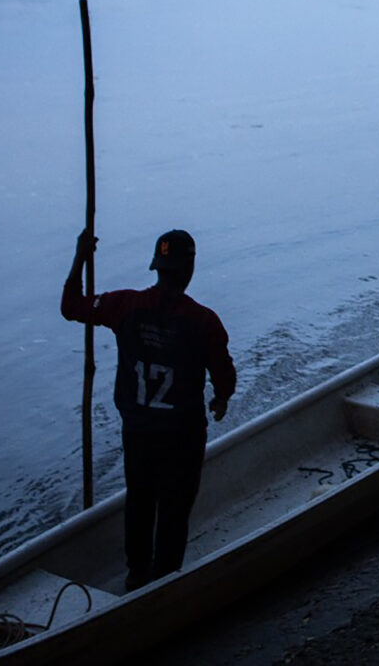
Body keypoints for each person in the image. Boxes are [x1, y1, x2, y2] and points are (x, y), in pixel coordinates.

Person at [62, 228, 237, 592]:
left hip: (138, 432)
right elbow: (224, 374)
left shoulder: (124, 306)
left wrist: (80, 255)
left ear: (156, 268)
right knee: (173, 512)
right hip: (181, 437)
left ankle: (137, 574)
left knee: (139, 503)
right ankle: (164, 585)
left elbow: (71, 306)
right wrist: (220, 400)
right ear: (189, 269)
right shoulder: (204, 321)